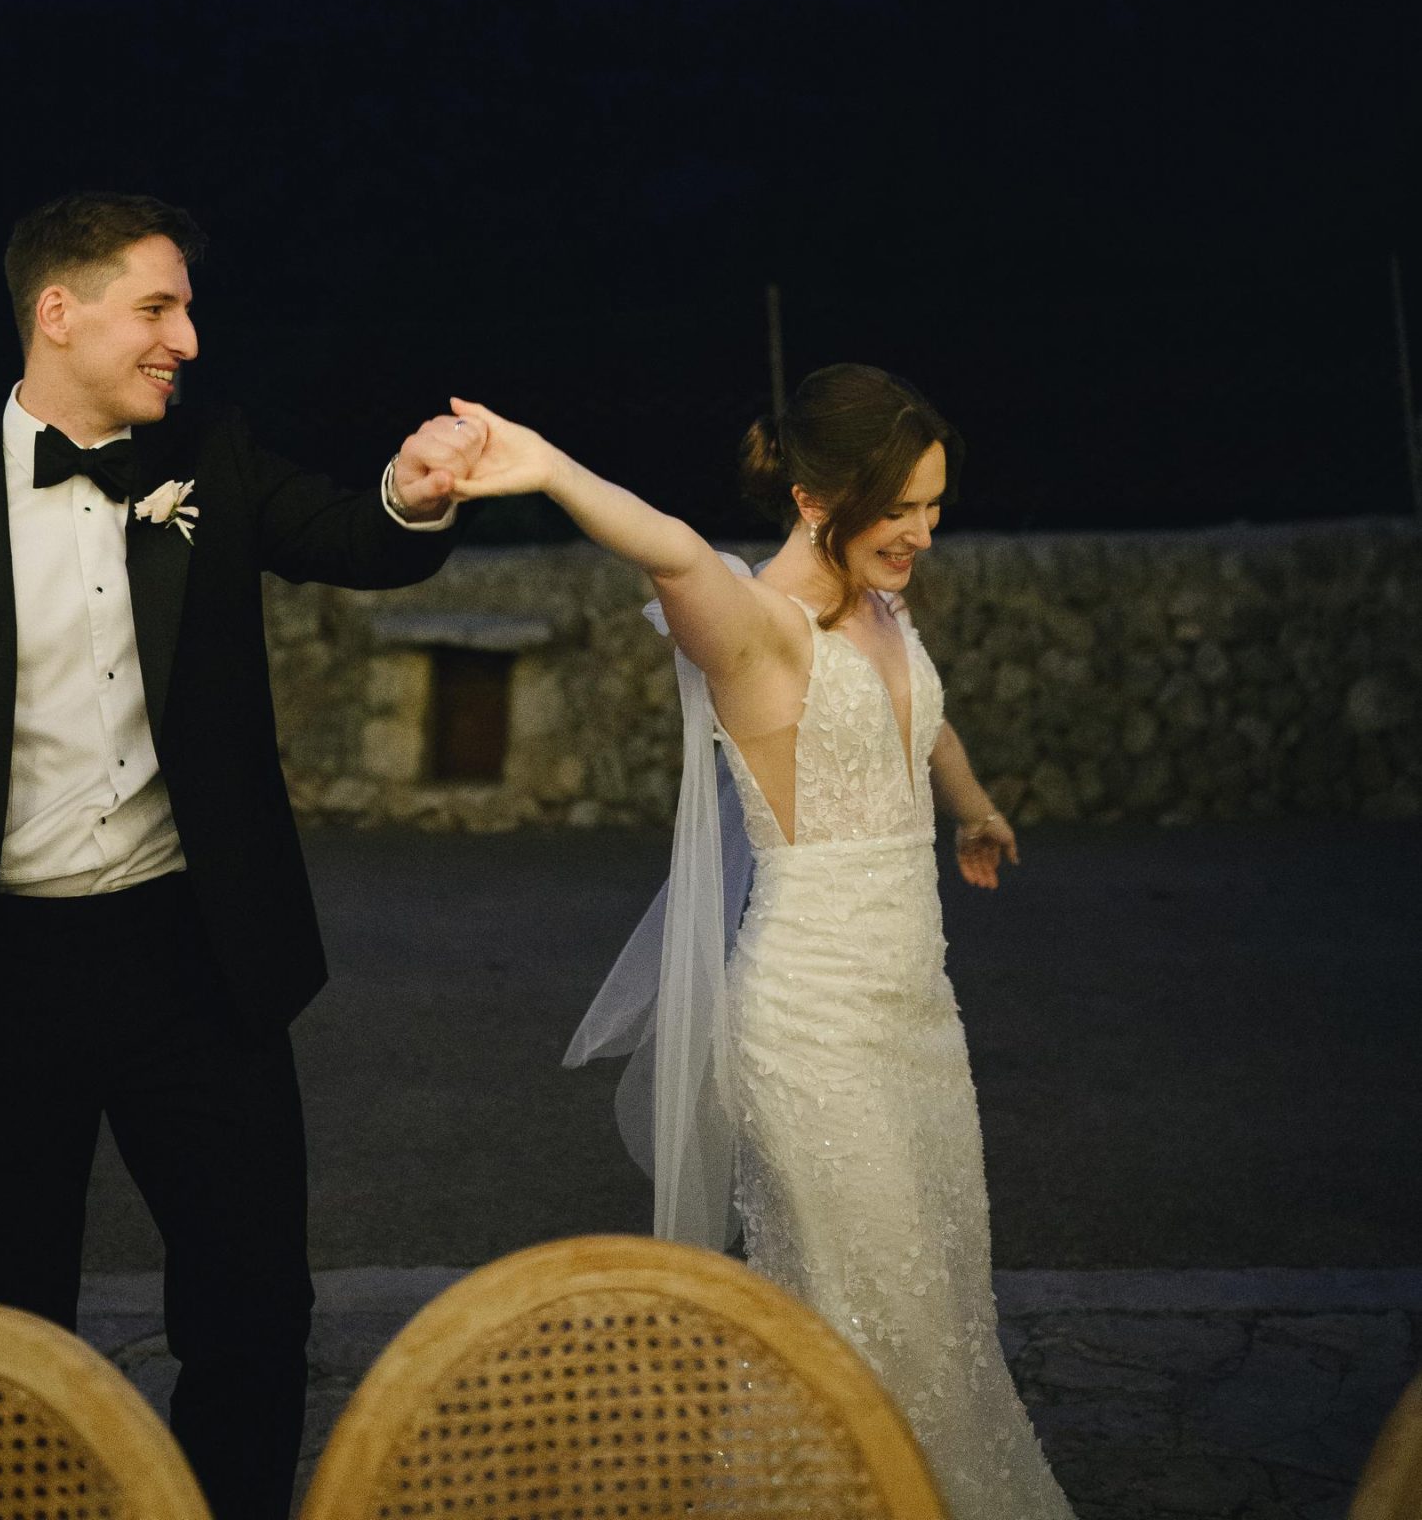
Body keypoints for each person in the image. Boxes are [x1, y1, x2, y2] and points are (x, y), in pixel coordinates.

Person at [0, 191, 485, 1520]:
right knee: (1, 1343)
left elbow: (362, 541)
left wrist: (414, 488)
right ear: (59, 313)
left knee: (254, 1316)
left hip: (195, 960)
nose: (186, 340)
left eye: (186, 310)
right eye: (157, 308)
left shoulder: (215, 458)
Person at [442, 366, 1075, 1520]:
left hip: (919, 1016)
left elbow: (915, 716)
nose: (926, 534)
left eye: (936, 506)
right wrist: (545, 466)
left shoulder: (881, 603)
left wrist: (974, 802)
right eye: (903, 509)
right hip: (810, 1027)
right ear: (815, 497)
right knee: (890, 1331)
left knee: (944, 1311)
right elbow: (673, 550)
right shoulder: (755, 630)